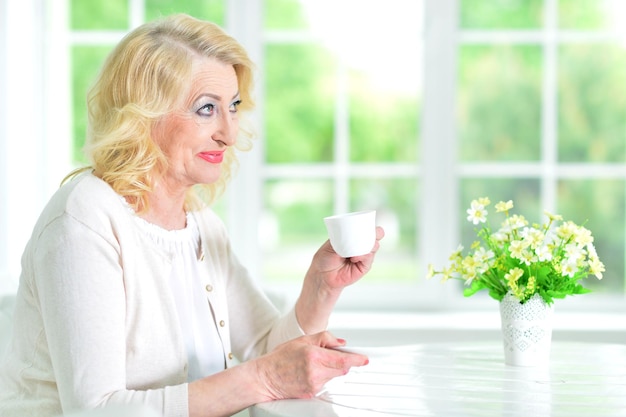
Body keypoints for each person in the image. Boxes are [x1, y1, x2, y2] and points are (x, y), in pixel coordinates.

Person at [0, 13, 385, 417]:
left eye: (233, 107)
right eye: (206, 109)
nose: (229, 133)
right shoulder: (83, 220)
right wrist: (262, 379)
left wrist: (321, 288)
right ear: (142, 117)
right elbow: (95, 410)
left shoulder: (199, 223)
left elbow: (266, 351)